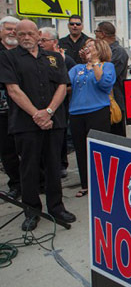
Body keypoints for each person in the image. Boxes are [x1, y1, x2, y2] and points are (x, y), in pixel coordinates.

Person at [0, 20, 76, 231]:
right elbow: (13, 90)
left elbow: (62, 85)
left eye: (30, 34)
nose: (25, 37)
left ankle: (56, 207)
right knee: (29, 168)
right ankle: (32, 211)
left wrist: (49, 112)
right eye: (21, 33)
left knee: (54, 166)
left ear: (37, 35)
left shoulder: (53, 58)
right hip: (26, 124)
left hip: (54, 121)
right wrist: (37, 115)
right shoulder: (8, 57)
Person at [69, 39, 115, 198]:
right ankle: (85, 183)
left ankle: (104, 183)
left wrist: (95, 63)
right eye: (86, 47)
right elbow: (66, 84)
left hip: (97, 111)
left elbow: (104, 84)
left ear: (99, 49)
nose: (87, 49)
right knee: (81, 150)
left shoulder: (107, 66)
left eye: (91, 47)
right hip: (76, 113)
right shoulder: (77, 68)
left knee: (99, 150)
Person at [40, 27, 76, 177]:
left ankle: (60, 165)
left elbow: (71, 84)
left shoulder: (65, 60)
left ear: (54, 42)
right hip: (40, 108)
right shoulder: (37, 59)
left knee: (59, 139)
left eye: (44, 40)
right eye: (39, 40)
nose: (40, 43)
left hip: (60, 107)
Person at [95, 21, 128, 136]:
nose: (95, 35)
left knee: (116, 137)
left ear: (102, 34)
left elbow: (108, 76)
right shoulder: (102, 51)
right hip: (100, 100)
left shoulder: (118, 52)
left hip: (114, 100)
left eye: (96, 32)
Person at [0, 16, 21, 200]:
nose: (12, 32)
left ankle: (36, 182)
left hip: (25, 110)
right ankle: (15, 184)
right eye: (8, 29)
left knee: (30, 150)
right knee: (8, 151)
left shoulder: (25, 52)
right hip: (3, 112)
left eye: (15, 29)